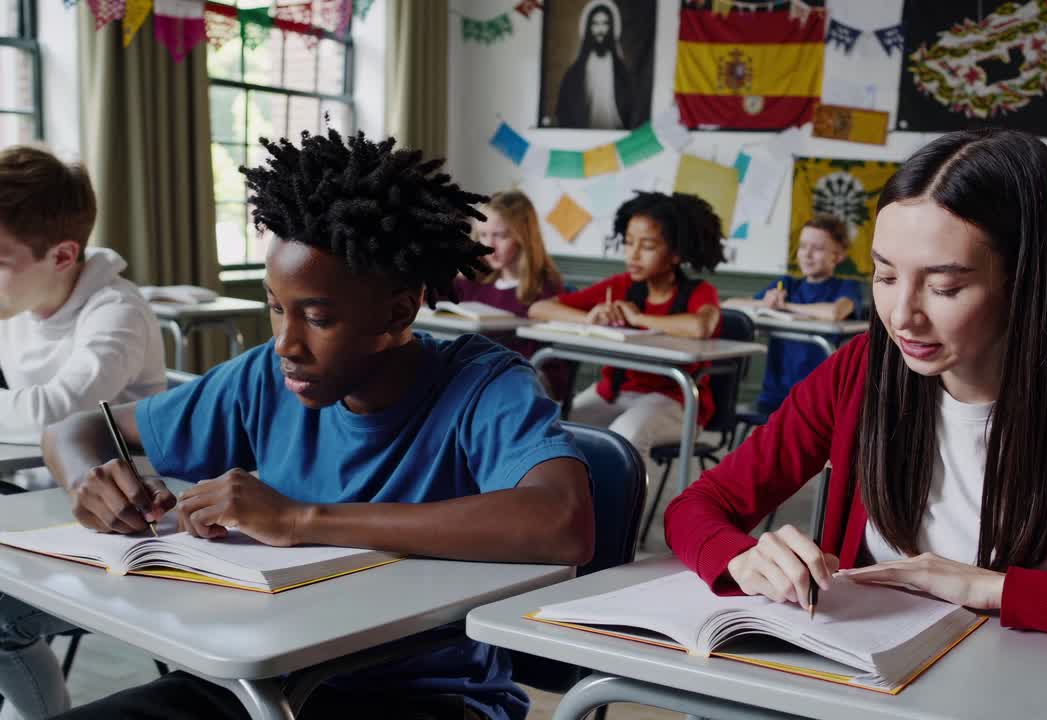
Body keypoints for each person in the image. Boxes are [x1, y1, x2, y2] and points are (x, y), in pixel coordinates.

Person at [13, 130, 593, 720]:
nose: (286, 342)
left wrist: (298, 520)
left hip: (423, 697)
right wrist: (89, 479)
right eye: (274, 307)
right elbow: (73, 430)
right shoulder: (265, 377)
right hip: (257, 681)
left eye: (317, 317)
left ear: (398, 311)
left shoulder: (483, 384)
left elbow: (562, 521)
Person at [664, 128, 1047, 663]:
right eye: (884, 275)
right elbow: (695, 508)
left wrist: (990, 588)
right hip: (866, 687)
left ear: (1024, 281)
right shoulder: (861, 370)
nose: (901, 316)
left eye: (945, 287)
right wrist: (741, 556)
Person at [528, 191, 724, 461]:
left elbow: (701, 326)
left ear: (676, 254)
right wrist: (589, 317)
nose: (633, 254)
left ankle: (625, 504)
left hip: (676, 401)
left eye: (647, 246)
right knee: (554, 429)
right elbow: (539, 308)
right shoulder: (620, 286)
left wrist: (638, 319)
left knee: (625, 436)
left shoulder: (699, 292)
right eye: (629, 243)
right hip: (615, 391)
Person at [0, 145, 165, 447]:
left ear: (62, 257)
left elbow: (54, 416)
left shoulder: (119, 312)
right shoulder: (16, 303)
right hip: (27, 482)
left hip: (117, 489)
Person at [725, 213, 862, 413]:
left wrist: (786, 305)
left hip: (819, 397)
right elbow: (730, 304)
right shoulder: (787, 284)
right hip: (774, 394)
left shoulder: (846, 286)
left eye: (818, 249)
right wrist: (765, 302)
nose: (807, 254)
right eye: (803, 246)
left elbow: (836, 312)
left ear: (839, 255)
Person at [453, 190, 570, 400]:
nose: (488, 245)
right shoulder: (475, 282)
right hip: (485, 375)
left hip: (528, 377)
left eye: (499, 235)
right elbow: (424, 297)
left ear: (522, 237)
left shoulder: (544, 289)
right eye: (483, 235)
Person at [555, 2, 635, 130]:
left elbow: (632, 110)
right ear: (588, 28)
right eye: (595, 24)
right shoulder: (574, 73)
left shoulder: (622, 72)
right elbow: (563, 110)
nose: (600, 30)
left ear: (612, 27)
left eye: (605, 24)